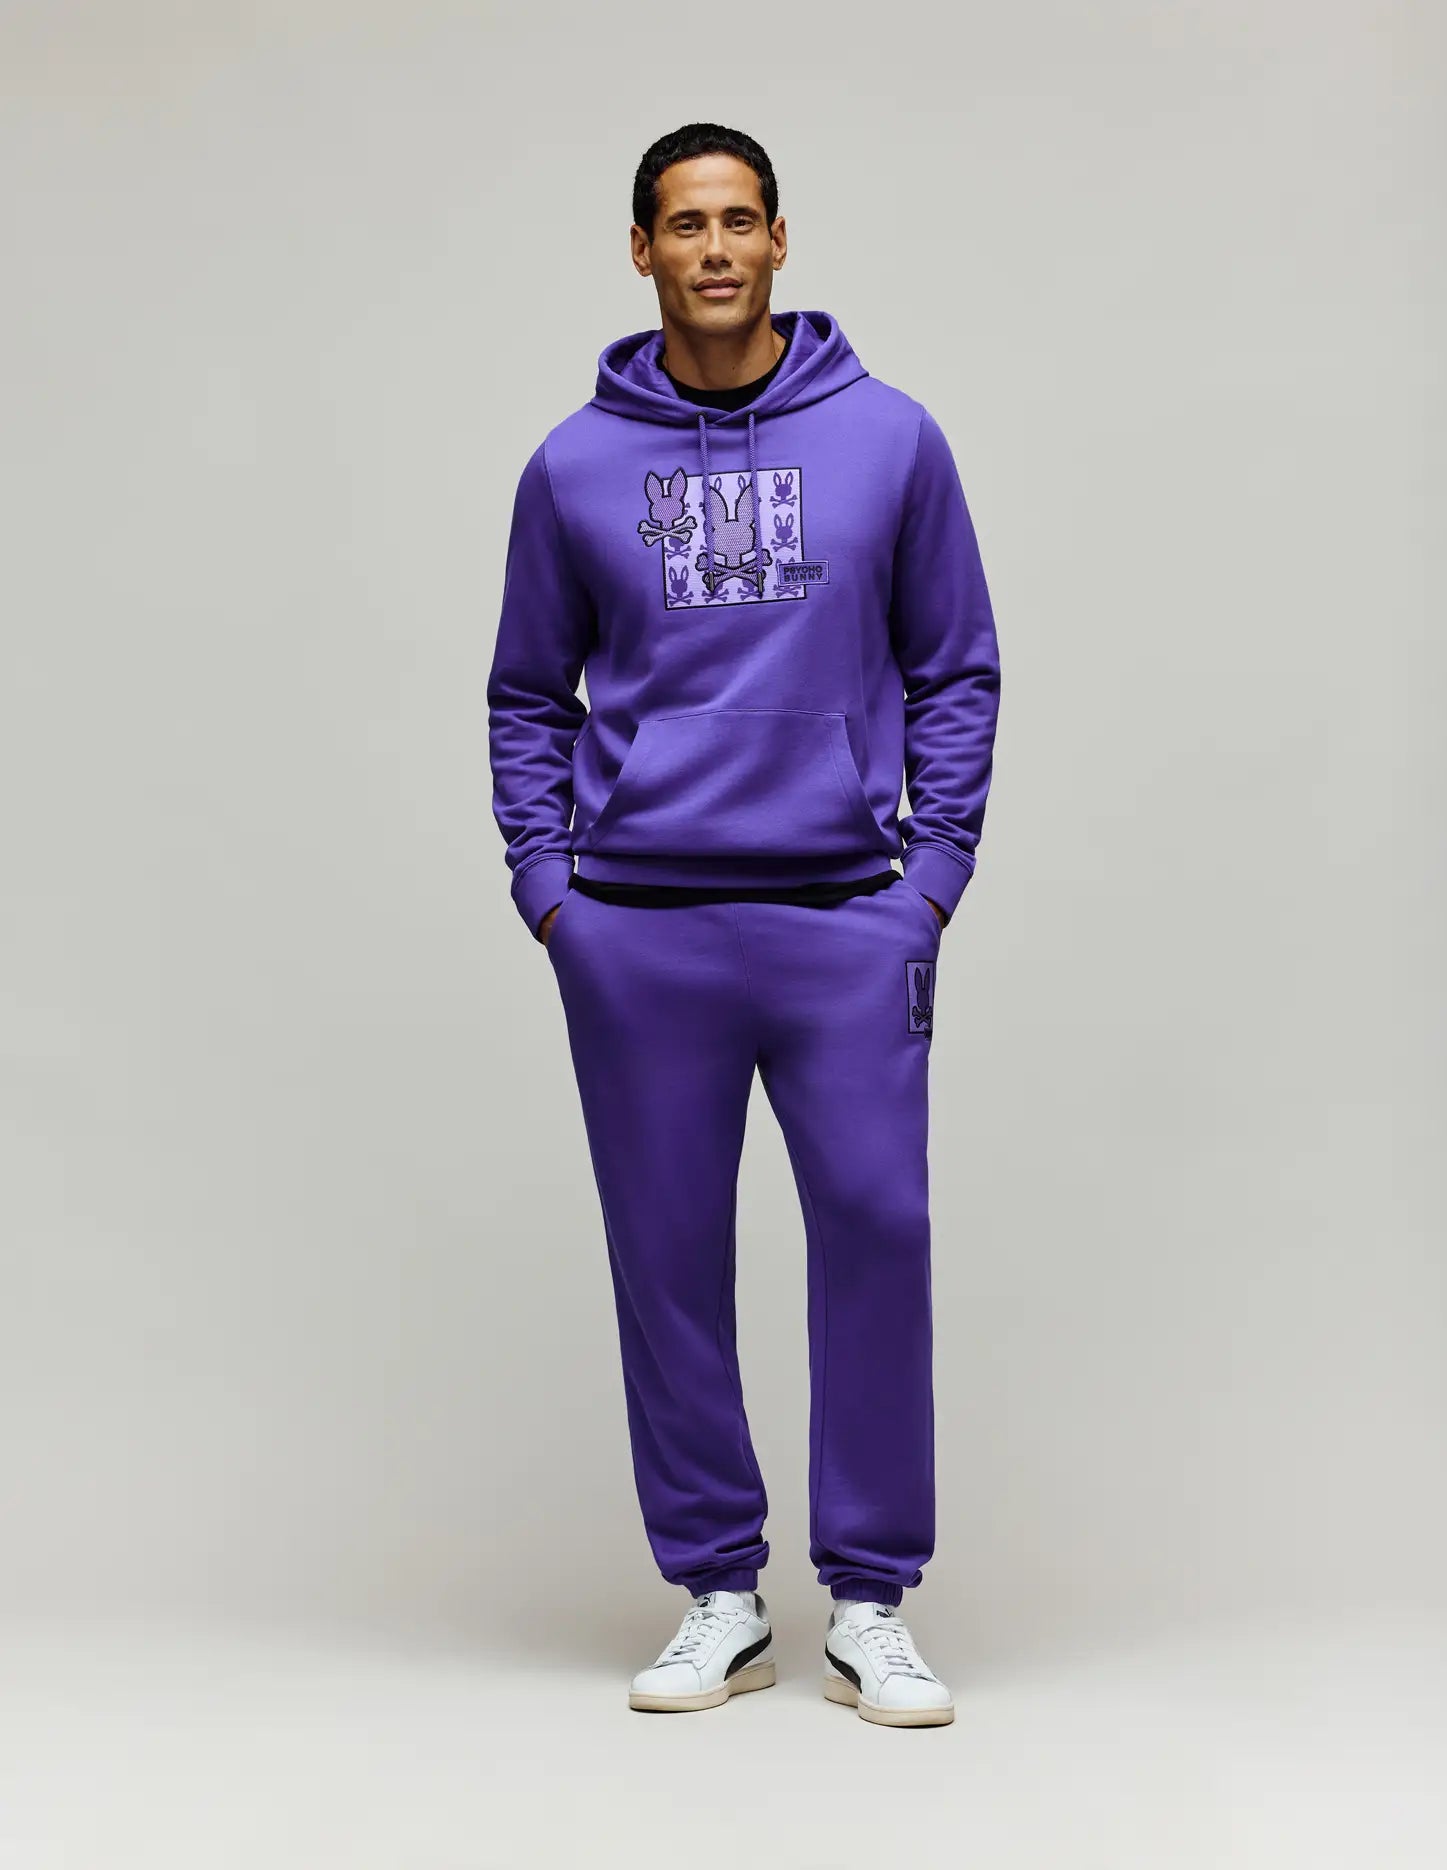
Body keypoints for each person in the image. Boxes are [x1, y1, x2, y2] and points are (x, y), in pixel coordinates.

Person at [485, 123, 1001, 1728]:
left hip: (845, 918)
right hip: (640, 930)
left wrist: (928, 881)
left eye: (738, 220)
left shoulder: (893, 441)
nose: (713, 248)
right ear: (641, 250)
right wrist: (551, 891)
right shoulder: (573, 466)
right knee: (667, 1261)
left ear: (780, 241)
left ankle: (870, 1600)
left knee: (879, 1232)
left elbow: (957, 666)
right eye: (683, 223)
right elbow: (525, 692)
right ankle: (720, 1591)